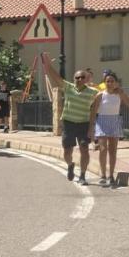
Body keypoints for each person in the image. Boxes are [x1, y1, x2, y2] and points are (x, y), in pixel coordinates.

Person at [40, 52, 98, 185]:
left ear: (86, 79)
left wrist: (92, 128)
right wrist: (48, 64)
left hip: (83, 124)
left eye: (82, 77)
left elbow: (102, 99)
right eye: (77, 77)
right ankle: (70, 165)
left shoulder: (93, 92)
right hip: (69, 123)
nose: (79, 79)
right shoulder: (68, 87)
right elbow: (55, 76)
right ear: (74, 79)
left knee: (84, 149)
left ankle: (82, 175)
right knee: (67, 151)